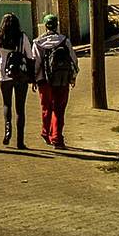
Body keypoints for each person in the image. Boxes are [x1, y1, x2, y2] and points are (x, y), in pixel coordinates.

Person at [0, 12, 36, 148]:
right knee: (20, 109)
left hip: (4, 76)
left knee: (7, 105)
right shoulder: (22, 37)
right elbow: (30, 56)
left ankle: (7, 131)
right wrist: (32, 77)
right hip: (20, 76)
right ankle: (20, 141)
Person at [32, 13, 78, 150]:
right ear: (57, 25)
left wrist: (34, 79)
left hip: (44, 82)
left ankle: (46, 133)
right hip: (62, 80)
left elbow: (36, 63)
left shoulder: (38, 43)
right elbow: (73, 60)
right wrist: (72, 77)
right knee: (59, 109)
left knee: (46, 108)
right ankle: (57, 138)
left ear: (45, 26)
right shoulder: (64, 41)